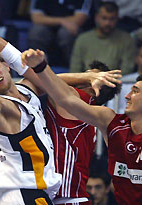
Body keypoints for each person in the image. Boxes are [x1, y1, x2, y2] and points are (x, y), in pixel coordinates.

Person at [0, 4, 121, 204]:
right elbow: (19, 62)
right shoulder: (5, 103)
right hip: (26, 194)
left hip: (58, 198)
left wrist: (86, 76)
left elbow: (46, 78)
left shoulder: (73, 102)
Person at [21, 49, 142, 204]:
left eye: (134, 91)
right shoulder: (111, 122)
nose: (126, 96)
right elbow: (64, 98)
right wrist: (40, 66)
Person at [46, 61, 120, 205]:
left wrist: (86, 77)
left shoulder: (80, 100)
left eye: (87, 77)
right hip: (63, 196)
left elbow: (46, 80)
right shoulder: (89, 110)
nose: (77, 78)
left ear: (94, 87)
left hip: (67, 198)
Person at [70, 1, 137, 75]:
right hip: (86, 82)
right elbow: (74, 71)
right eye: (104, 18)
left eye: (112, 19)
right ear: (96, 17)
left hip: (115, 83)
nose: (107, 23)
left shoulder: (126, 40)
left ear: (117, 19)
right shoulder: (82, 39)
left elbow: (126, 71)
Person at [28, 0, 92, 67]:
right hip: (48, 29)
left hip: (72, 30)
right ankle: (38, 68)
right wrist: (62, 21)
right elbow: (36, 18)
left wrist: (59, 22)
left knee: (65, 33)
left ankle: (73, 68)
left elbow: (79, 19)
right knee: (37, 32)